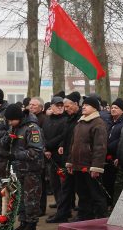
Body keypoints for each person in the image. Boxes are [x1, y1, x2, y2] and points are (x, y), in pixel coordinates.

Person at [0, 104, 45, 230]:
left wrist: (16, 155)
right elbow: (3, 143)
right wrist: (8, 139)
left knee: (31, 198)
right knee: (21, 198)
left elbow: (36, 151)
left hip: (31, 170)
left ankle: (31, 226)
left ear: (18, 118)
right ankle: (23, 223)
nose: (9, 123)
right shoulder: (15, 127)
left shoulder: (32, 129)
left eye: (11, 120)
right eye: (8, 120)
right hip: (19, 169)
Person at [66, 96, 108, 221]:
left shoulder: (98, 123)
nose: (83, 107)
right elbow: (73, 144)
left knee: (96, 193)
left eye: (87, 105)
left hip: (90, 165)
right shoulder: (80, 122)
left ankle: (101, 217)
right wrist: (70, 162)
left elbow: (100, 147)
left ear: (95, 108)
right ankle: (84, 215)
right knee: (82, 193)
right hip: (78, 164)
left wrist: (96, 167)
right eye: (83, 105)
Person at [48, 92, 82, 223]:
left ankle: (84, 214)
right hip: (67, 157)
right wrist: (62, 144)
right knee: (66, 188)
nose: (65, 109)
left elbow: (77, 140)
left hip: (76, 159)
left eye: (68, 106)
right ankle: (62, 213)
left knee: (80, 189)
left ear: (76, 104)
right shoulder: (70, 118)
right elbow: (66, 135)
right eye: (65, 107)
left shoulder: (80, 119)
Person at [42, 96, 68, 214]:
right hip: (49, 155)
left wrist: (49, 145)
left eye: (61, 105)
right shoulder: (47, 120)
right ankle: (59, 206)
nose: (60, 107)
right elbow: (42, 134)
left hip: (60, 155)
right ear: (51, 106)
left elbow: (63, 136)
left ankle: (65, 209)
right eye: (57, 105)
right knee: (54, 183)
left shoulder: (66, 119)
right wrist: (45, 148)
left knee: (63, 184)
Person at [105, 99, 123, 206]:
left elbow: (122, 139)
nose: (113, 109)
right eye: (112, 107)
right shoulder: (109, 121)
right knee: (108, 181)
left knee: (115, 182)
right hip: (107, 156)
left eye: (116, 108)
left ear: (122, 110)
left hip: (116, 156)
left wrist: (109, 147)